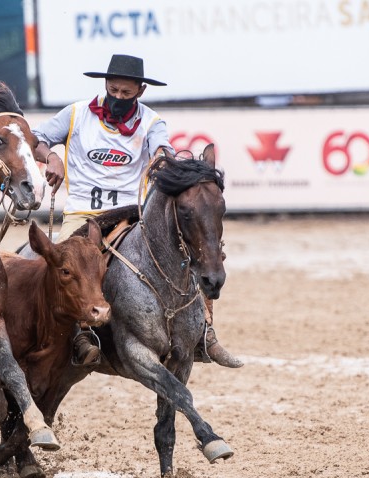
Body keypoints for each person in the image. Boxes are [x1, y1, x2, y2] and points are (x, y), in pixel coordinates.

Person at [31, 54, 241, 368]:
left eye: (125, 93)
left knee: (190, 253)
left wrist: (159, 156)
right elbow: (37, 139)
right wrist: (51, 157)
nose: (117, 97)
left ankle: (204, 333)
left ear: (140, 91)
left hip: (131, 213)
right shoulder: (75, 113)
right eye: (112, 90)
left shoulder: (152, 122)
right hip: (82, 213)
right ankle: (77, 334)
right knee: (59, 265)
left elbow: (162, 148)